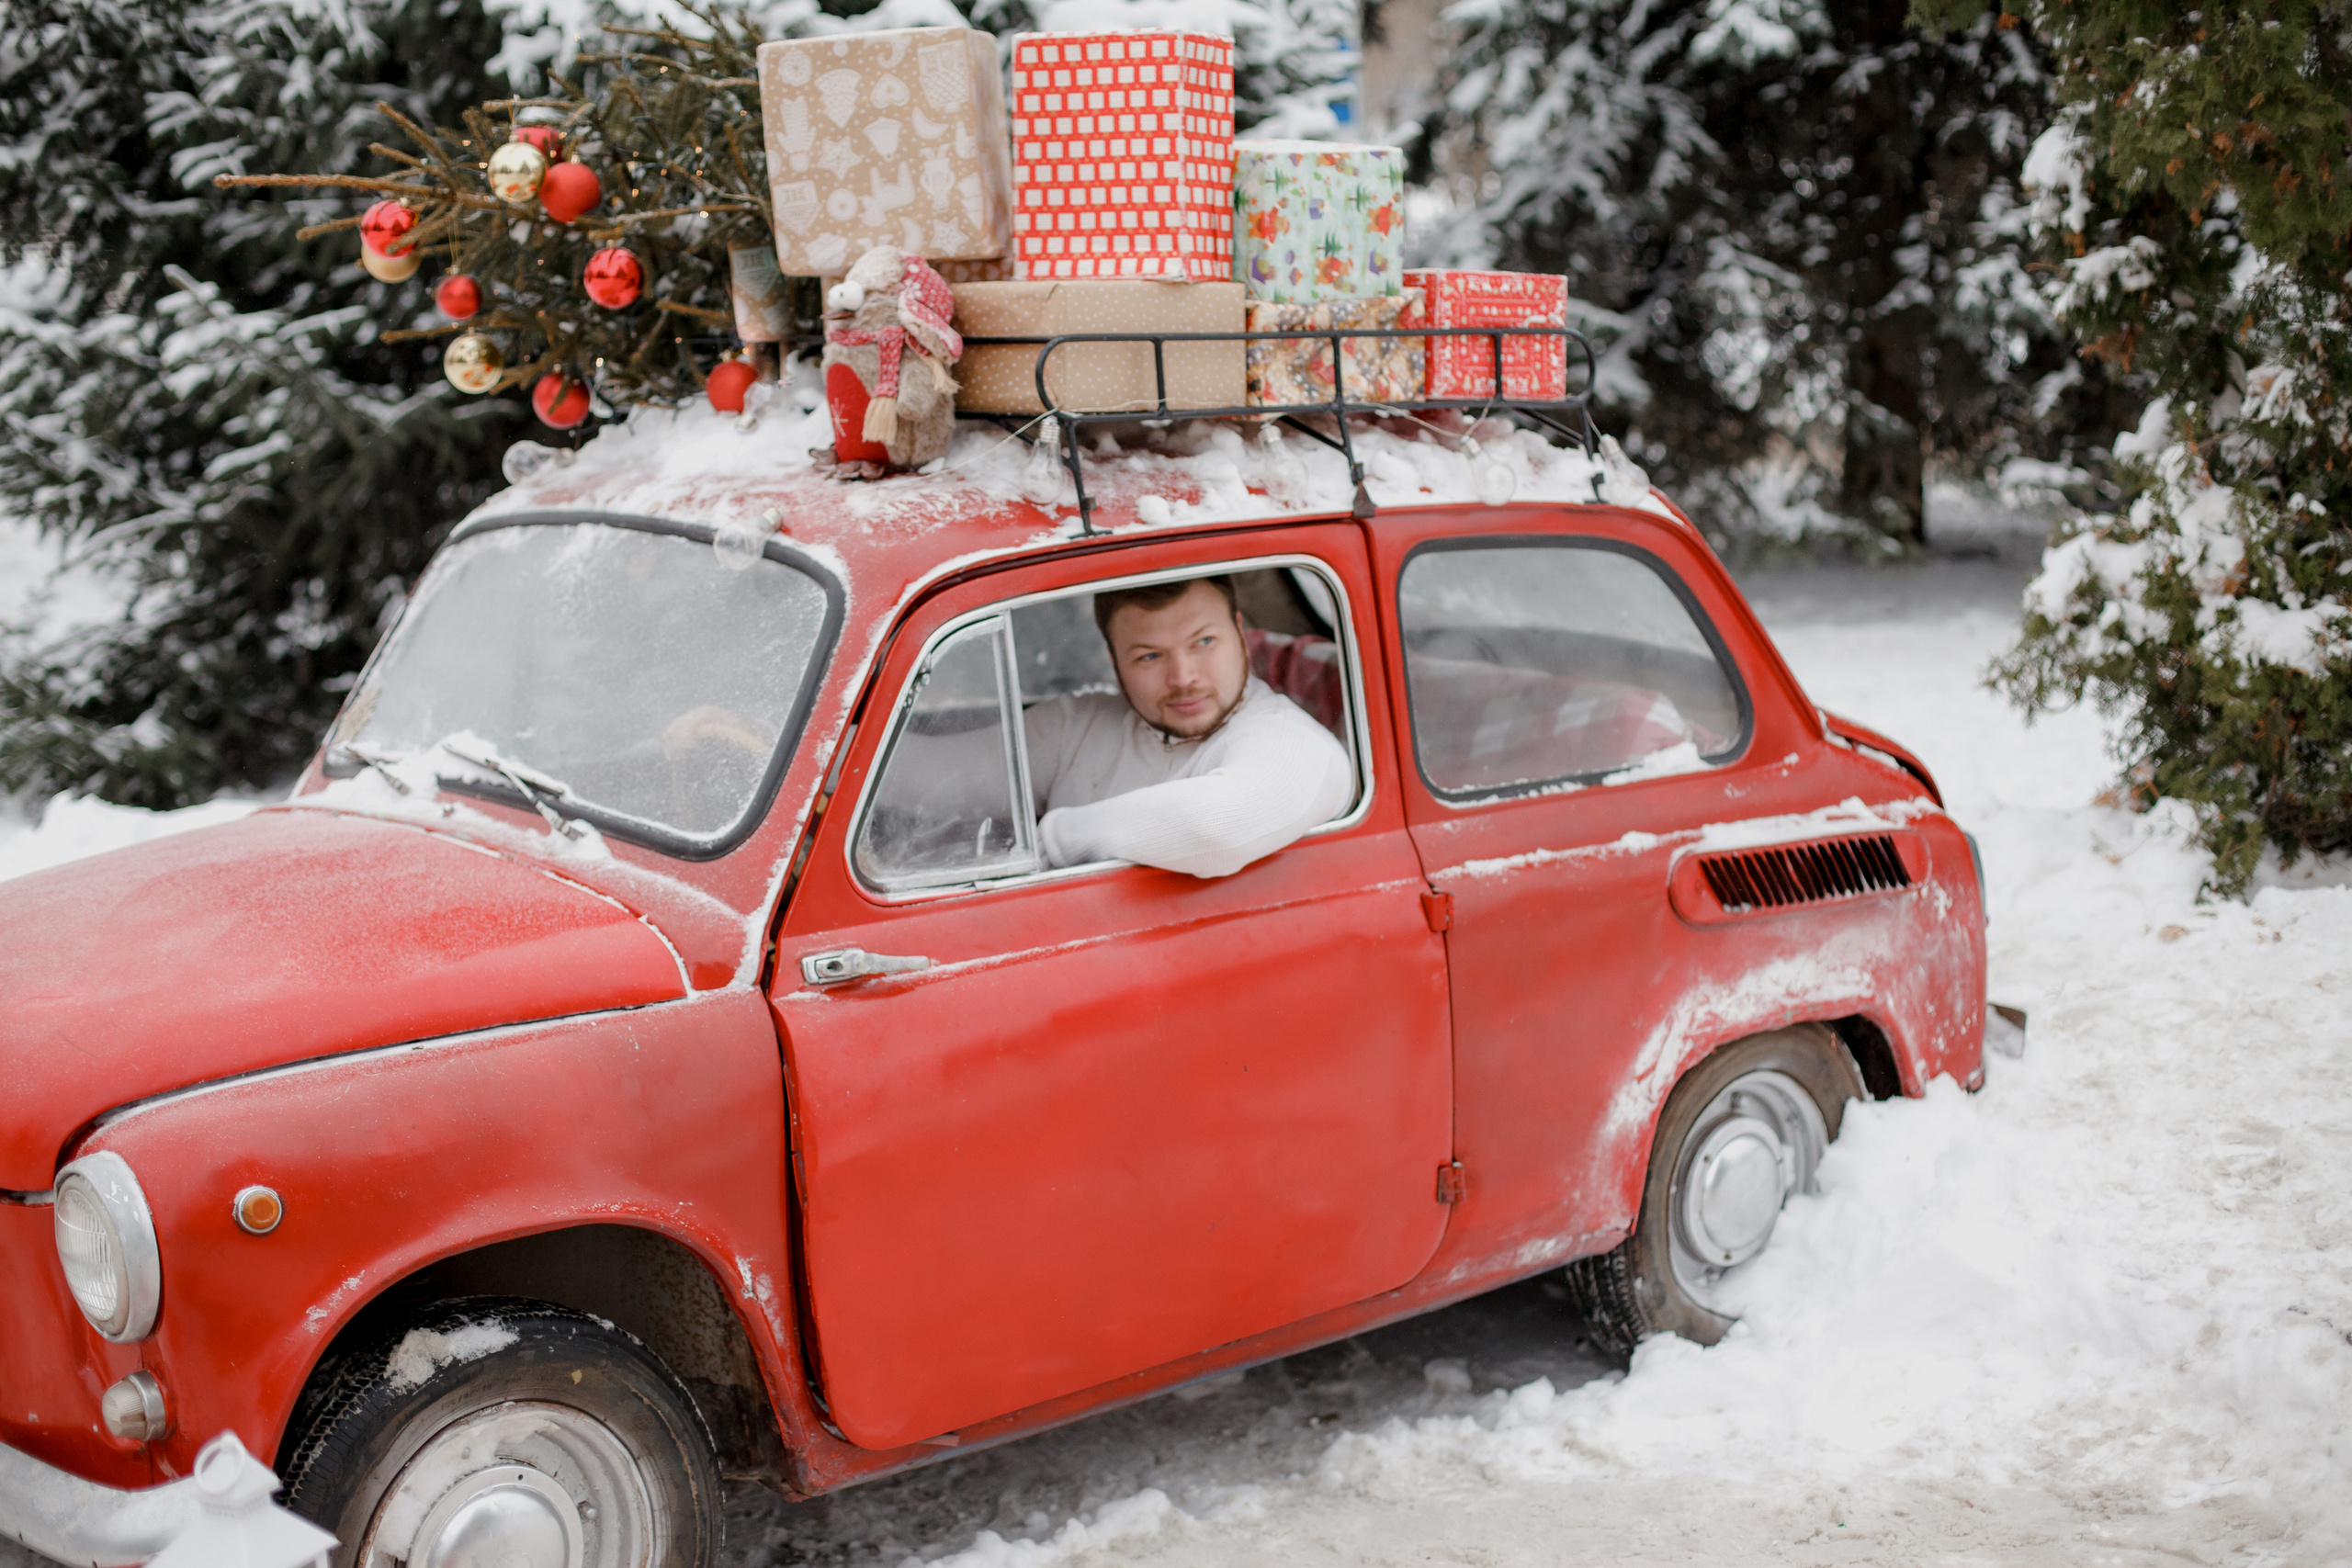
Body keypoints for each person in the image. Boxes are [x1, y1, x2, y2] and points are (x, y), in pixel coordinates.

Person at [1022, 575, 1352, 878]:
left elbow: (1217, 827)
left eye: (1204, 641)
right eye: (1149, 656)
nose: (1183, 678)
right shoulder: (1075, 724)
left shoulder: (1293, 741)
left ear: (1239, 632)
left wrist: (1046, 846)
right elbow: (969, 779)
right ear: (1114, 661)